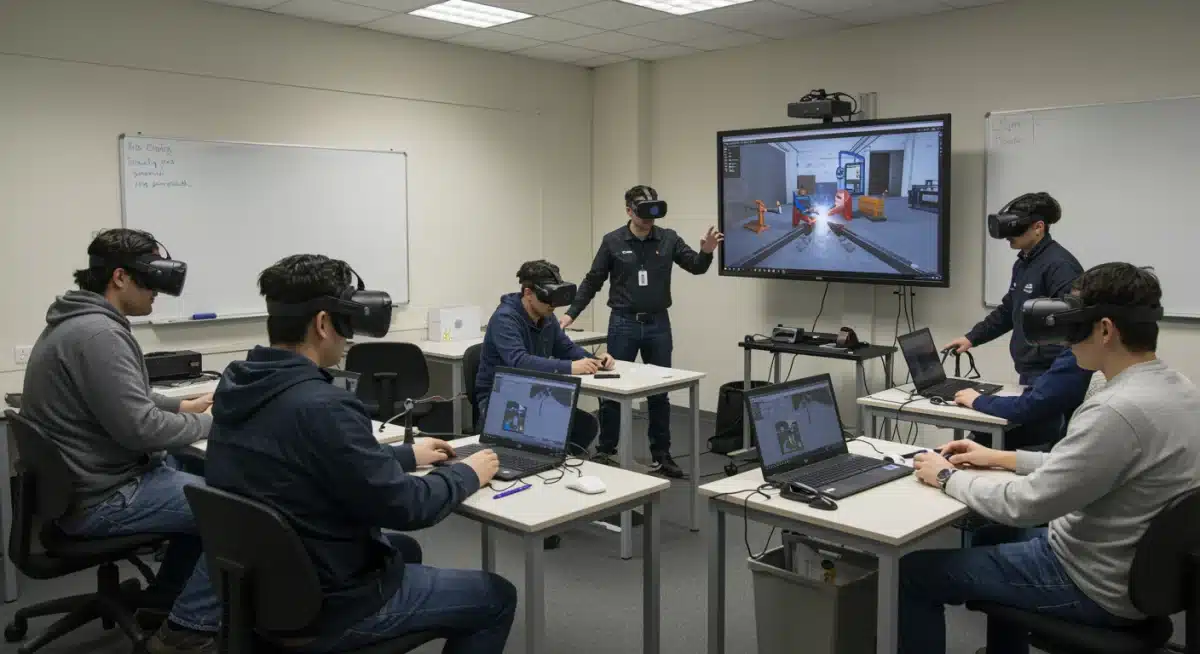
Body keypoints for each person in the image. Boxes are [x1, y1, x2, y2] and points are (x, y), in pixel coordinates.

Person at [153, 254, 516, 653]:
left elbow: (312, 464)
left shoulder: (240, 384)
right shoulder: (324, 405)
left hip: (262, 588)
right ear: (324, 324)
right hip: (328, 601)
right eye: (346, 324)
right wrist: (468, 471)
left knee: (404, 552)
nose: (349, 337)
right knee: (495, 596)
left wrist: (409, 456)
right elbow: (408, 507)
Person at [903, 263, 1200, 654]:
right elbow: (1085, 467)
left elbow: (1024, 505)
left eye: (1073, 326)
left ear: (1106, 330)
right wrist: (1000, 457)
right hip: (1143, 573)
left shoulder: (1115, 410)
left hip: (1092, 582)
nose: (1065, 340)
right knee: (993, 535)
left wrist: (945, 477)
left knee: (913, 574)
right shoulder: (1178, 389)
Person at [20, 229, 214, 625]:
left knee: (196, 470)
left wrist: (181, 405)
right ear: (121, 277)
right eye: (152, 279)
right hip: (103, 499)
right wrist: (209, 422)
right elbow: (140, 429)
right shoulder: (99, 334)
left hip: (82, 486)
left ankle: (165, 598)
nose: (157, 291)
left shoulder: (74, 321)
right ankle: (187, 627)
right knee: (231, 506)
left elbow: (126, 396)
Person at [559, 185, 723, 477]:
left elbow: (696, 267)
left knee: (659, 392)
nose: (649, 218)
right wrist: (571, 313)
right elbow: (593, 280)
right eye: (642, 211)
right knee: (611, 387)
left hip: (658, 324)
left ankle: (662, 454)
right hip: (623, 322)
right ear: (629, 211)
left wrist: (706, 252)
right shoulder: (613, 241)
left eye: (653, 211)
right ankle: (607, 451)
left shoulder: (669, 238)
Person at [475, 259, 614, 452]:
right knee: (546, 429)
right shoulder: (504, 318)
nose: (552, 305)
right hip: (501, 397)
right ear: (528, 293)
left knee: (585, 425)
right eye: (547, 299)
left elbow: (565, 347)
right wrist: (570, 367)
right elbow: (518, 362)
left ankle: (554, 463)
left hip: (533, 393)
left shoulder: (547, 317)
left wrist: (594, 360)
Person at [945, 192, 1082, 384]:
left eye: (1017, 229)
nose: (1008, 236)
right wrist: (971, 338)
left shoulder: (1059, 266)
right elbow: (1009, 310)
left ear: (1038, 227)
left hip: (1051, 374)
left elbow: (1073, 327)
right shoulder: (1024, 262)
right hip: (1031, 371)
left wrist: (1056, 379)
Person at [953, 348, 1092, 450]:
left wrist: (979, 400)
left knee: (979, 441)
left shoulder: (1079, 355)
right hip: (1065, 448)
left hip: (1061, 453)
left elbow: (1031, 405)